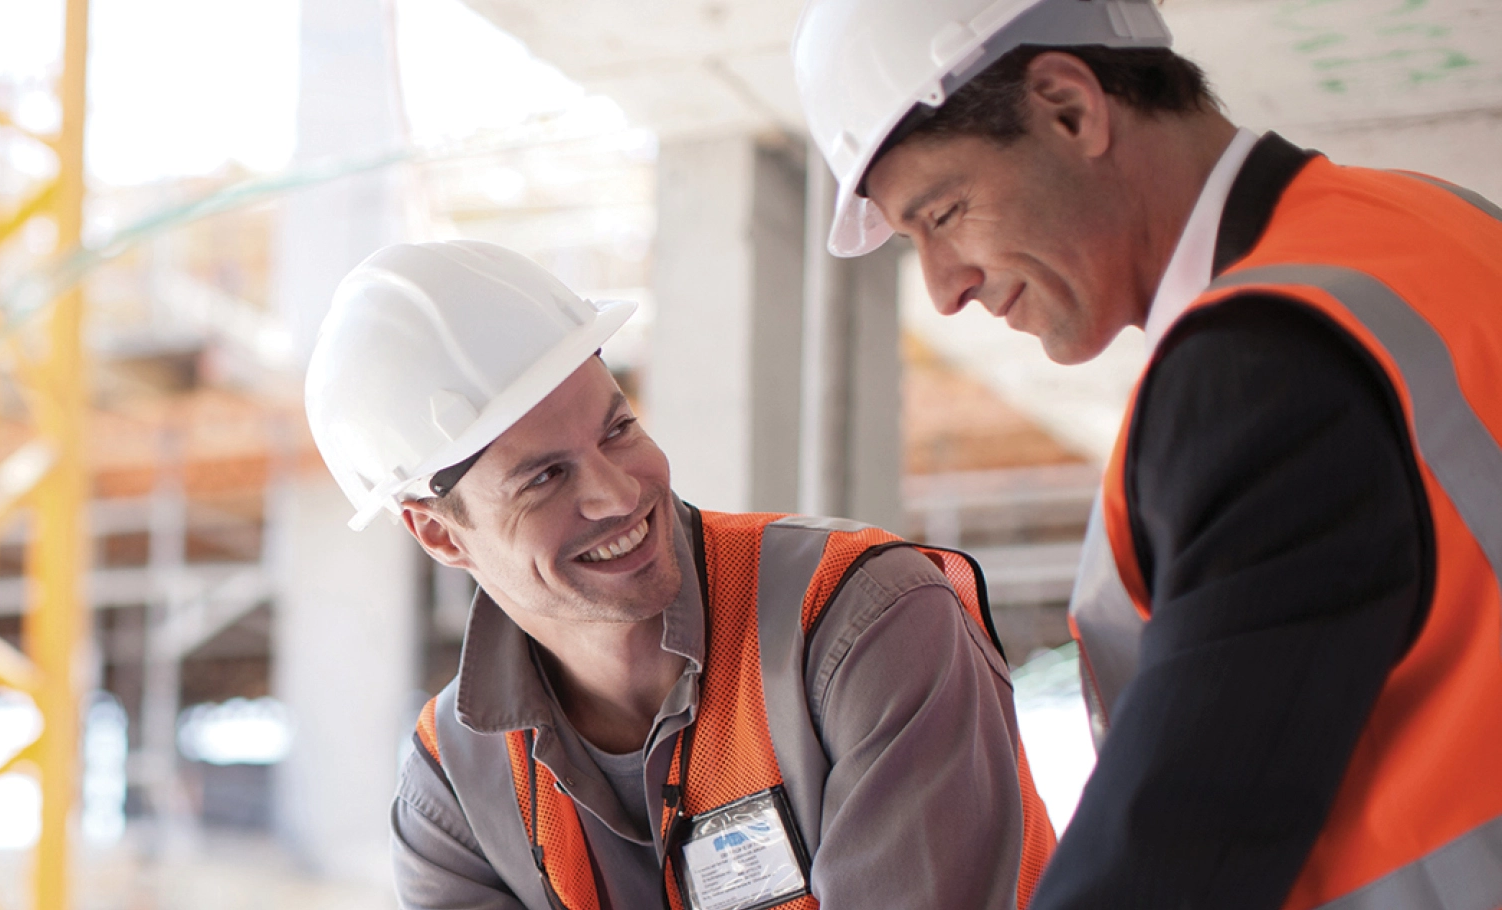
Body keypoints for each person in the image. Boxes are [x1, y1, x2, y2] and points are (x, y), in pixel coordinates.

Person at [791, 1, 1502, 906]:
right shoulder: (1425, 220)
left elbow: (1182, 838)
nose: (943, 288)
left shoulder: (1262, 366)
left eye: (946, 212)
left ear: (1069, 108)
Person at [305, 240, 1056, 910]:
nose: (618, 493)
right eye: (544, 479)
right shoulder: (457, 787)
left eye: (618, 430)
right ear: (439, 533)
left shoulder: (858, 619)